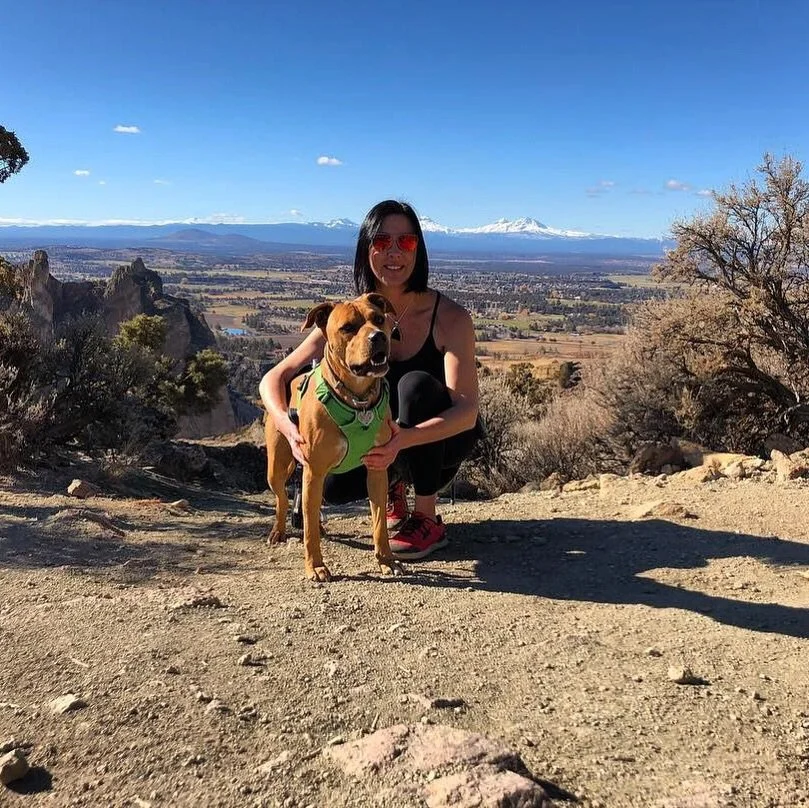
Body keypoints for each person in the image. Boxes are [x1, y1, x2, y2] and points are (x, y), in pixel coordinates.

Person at [259, 200, 480, 559]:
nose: (394, 252)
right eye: (381, 241)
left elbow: (467, 411)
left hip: (438, 443)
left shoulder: (451, 317)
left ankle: (426, 517)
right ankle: (392, 491)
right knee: (333, 487)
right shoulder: (346, 319)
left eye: (406, 241)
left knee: (415, 386)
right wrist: (287, 425)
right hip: (376, 440)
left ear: (419, 249)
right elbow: (275, 377)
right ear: (366, 250)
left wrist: (403, 439)